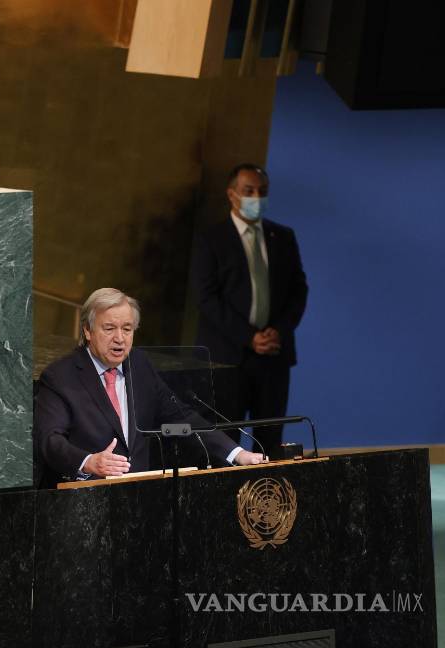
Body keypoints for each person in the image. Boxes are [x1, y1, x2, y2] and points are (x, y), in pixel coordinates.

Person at [34, 288, 265, 488]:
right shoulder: (60, 376)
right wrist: (88, 462)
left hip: (140, 499)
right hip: (84, 502)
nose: (119, 338)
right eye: (109, 328)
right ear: (87, 330)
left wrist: (236, 453)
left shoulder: (140, 365)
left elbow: (179, 420)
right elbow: (50, 440)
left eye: (127, 329)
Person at [191, 163, 308, 455]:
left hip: (273, 358)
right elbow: (206, 299)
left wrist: (278, 331)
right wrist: (249, 337)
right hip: (227, 359)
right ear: (232, 195)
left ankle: (268, 501)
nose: (257, 197)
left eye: (262, 191)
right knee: (224, 440)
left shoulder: (283, 237)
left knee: (270, 438)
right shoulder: (211, 240)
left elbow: (299, 290)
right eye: (249, 191)